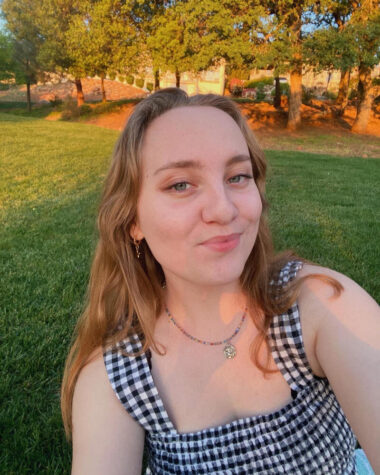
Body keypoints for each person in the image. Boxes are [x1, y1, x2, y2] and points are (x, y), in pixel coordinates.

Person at [61, 87, 379, 474]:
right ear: (133, 221)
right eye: (180, 184)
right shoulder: (116, 375)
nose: (223, 209)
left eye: (237, 176)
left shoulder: (319, 305)